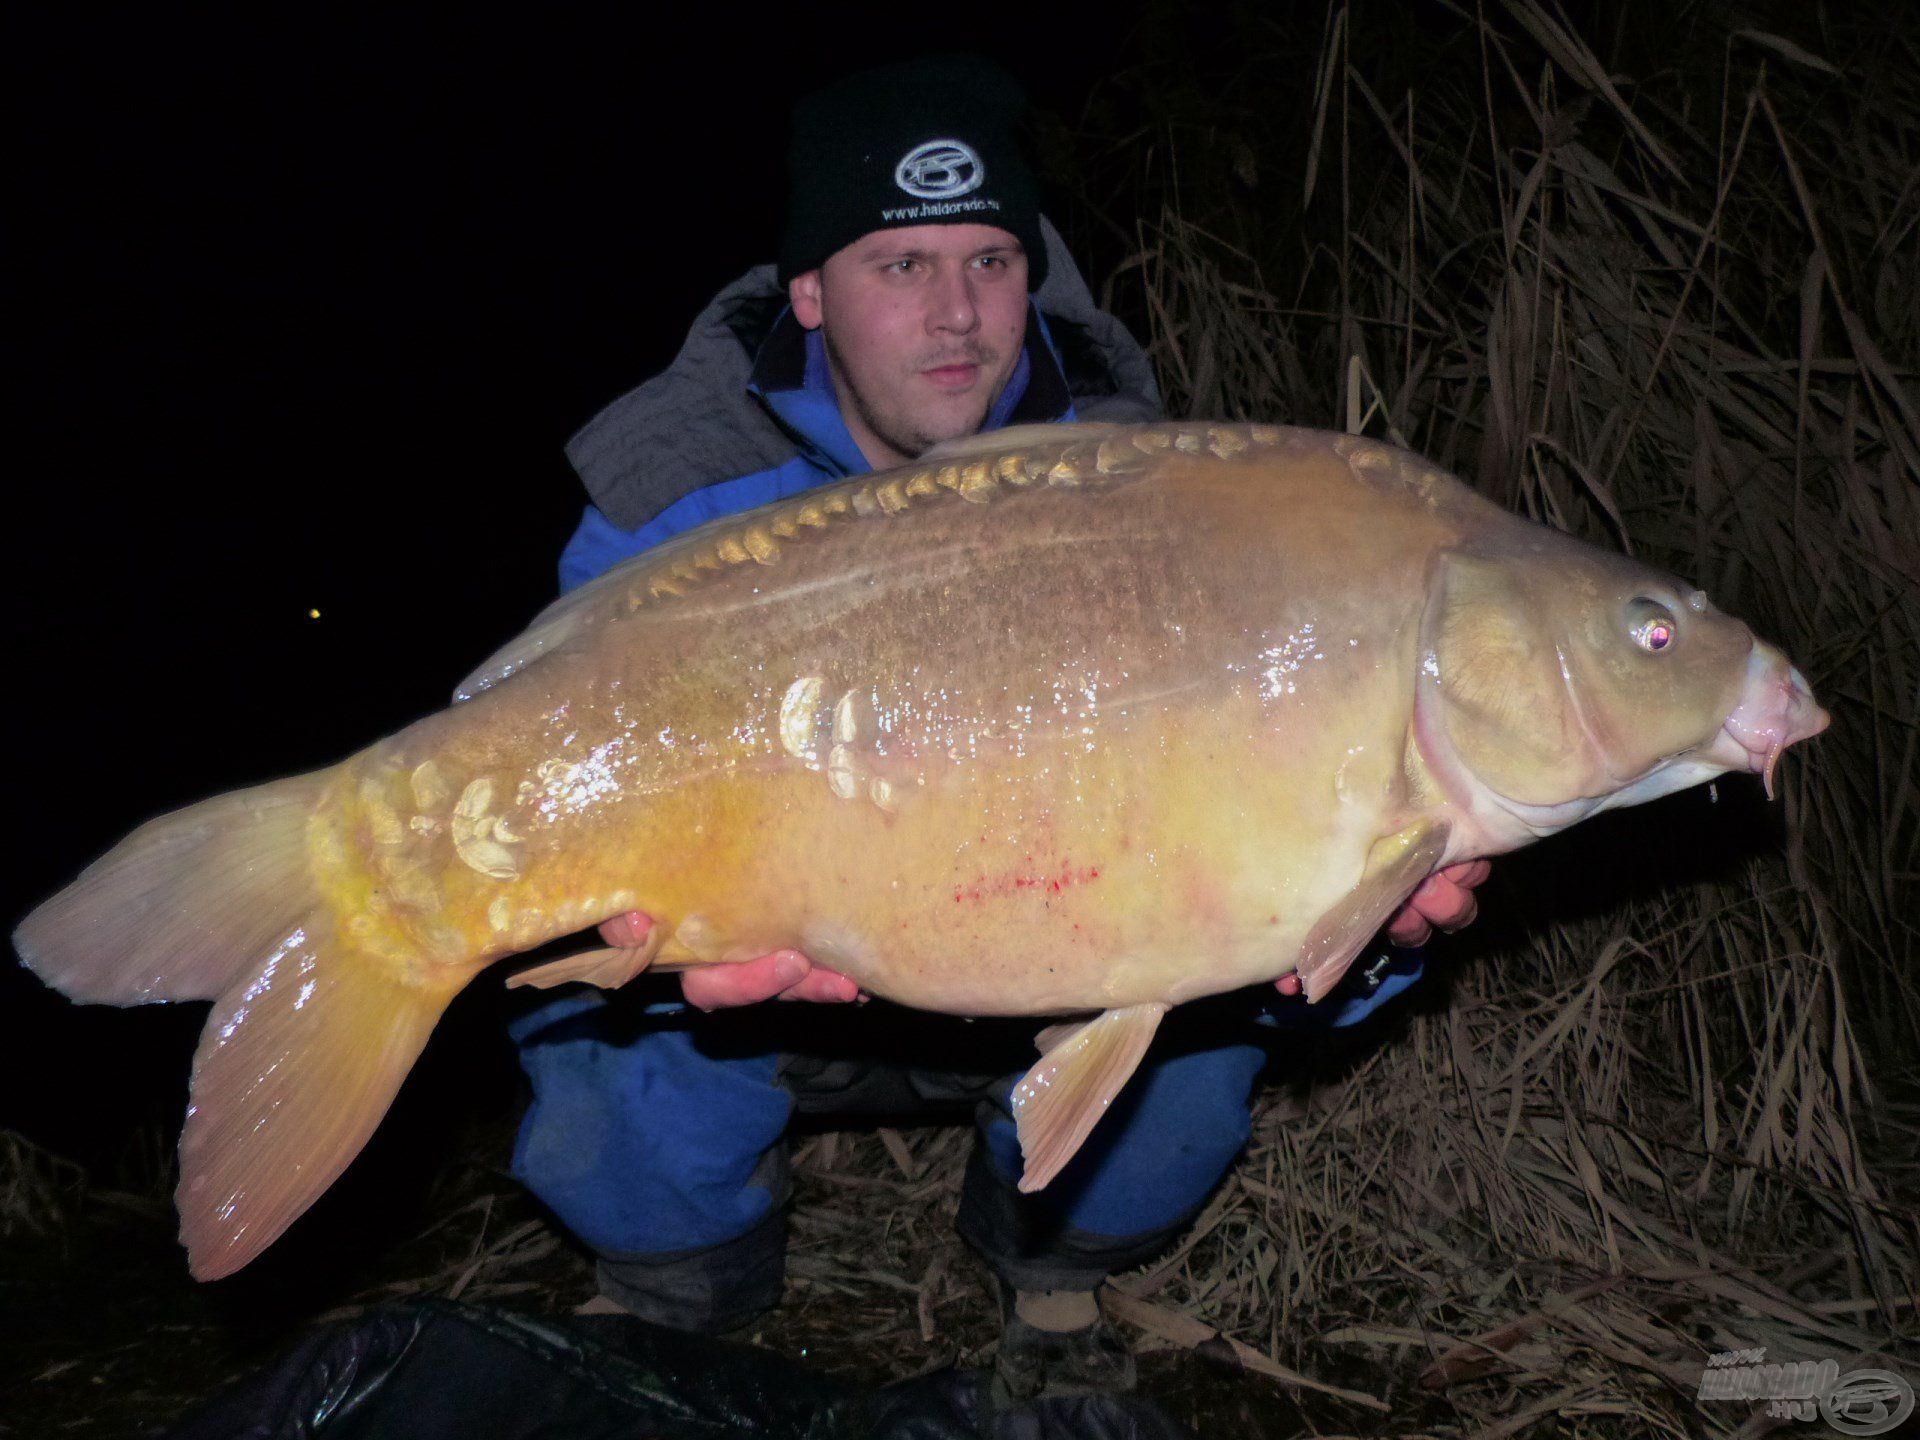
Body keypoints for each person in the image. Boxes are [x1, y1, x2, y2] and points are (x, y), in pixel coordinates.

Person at [511, 55, 1488, 1401]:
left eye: (990, 259)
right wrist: (668, 934)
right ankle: (679, 1293)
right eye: (899, 266)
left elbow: (1285, 853)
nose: (958, 312)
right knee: (598, 1048)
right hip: (781, 974)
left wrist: (1365, 935)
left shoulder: (1163, 499)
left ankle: (1053, 1276)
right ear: (808, 292)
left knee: (1198, 1056)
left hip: (1069, 953)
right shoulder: (674, 505)